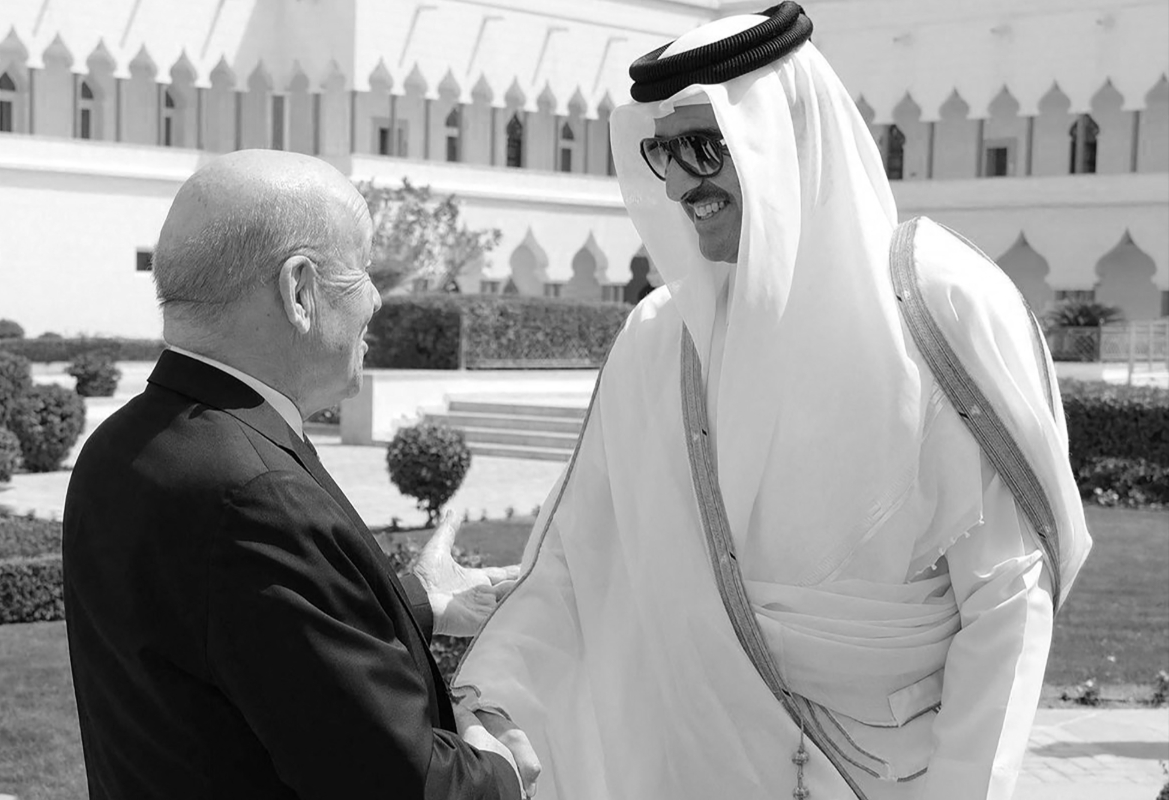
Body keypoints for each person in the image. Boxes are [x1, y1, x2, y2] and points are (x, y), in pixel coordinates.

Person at [452, 5, 1091, 800]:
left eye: (705, 145)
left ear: (783, 136)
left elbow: (1004, 600)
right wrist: (497, 688)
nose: (683, 182)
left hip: (894, 776)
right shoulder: (663, 337)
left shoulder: (940, 305)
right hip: (697, 763)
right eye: (663, 151)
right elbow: (580, 561)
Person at [63, 149, 538, 799]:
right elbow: (400, 786)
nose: (375, 300)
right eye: (364, 271)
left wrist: (420, 603)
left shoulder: (121, 446)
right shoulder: (256, 497)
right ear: (300, 290)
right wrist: (498, 768)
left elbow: (249, 650)